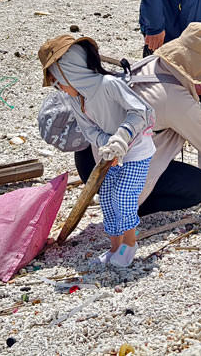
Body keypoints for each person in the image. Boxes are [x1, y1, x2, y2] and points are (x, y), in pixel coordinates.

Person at [72, 23, 201, 217]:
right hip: (109, 171)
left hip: (88, 155)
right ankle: (130, 206)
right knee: (198, 185)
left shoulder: (153, 63)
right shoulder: (176, 99)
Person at [38, 35, 155, 268]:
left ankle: (129, 245)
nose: (58, 88)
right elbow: (89, 130)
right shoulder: (76, 99)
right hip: (108, 155)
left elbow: (142, 112)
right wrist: (107, 144)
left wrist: (121, 137)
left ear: (70, 73)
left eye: (58, 82)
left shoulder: (108, 85)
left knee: (123, 197)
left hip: (137, 152)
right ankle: (114, 247)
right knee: (108, 200)